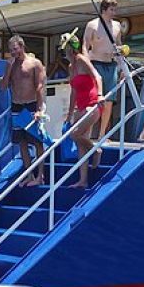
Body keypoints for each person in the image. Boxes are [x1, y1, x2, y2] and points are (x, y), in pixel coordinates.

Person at [0, 35, 47, 186]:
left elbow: (39, 86)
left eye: (15, 49)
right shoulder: (10, 65)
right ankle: (29, 174)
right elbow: (3, 86)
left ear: (22, 46)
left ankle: (41, 175)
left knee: (37, 142)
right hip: (16, 106)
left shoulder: (34, 63)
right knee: (22, 142)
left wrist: (39, 109)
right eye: (11, 50)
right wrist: (9, 68)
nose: (14, 53)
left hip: (32, 105)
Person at [61, 31, 104, 188]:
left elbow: (97, 76)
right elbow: (73, 91)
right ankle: (83, 180)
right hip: (80, 105)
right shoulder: (71, 66)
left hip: (92, 103)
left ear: (71, 49)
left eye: (65, 49)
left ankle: (96, 150)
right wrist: (70, 113)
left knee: (75, 134)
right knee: (80, 144)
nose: (63, 52)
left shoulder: (82, 60)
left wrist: (100, 95)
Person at [84, 0, 122, 146]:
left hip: (111, 64)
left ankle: (102, 134)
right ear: (104, 10)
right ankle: (88, 133)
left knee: (109, 102)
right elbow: (85, 46)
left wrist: (121, 65)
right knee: (95, 101)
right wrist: (87, 66)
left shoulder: (117, 26)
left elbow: (119, 45)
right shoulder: (92, 25)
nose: (114, 12)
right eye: (111, 9)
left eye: (115, 9)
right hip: (96, 64)